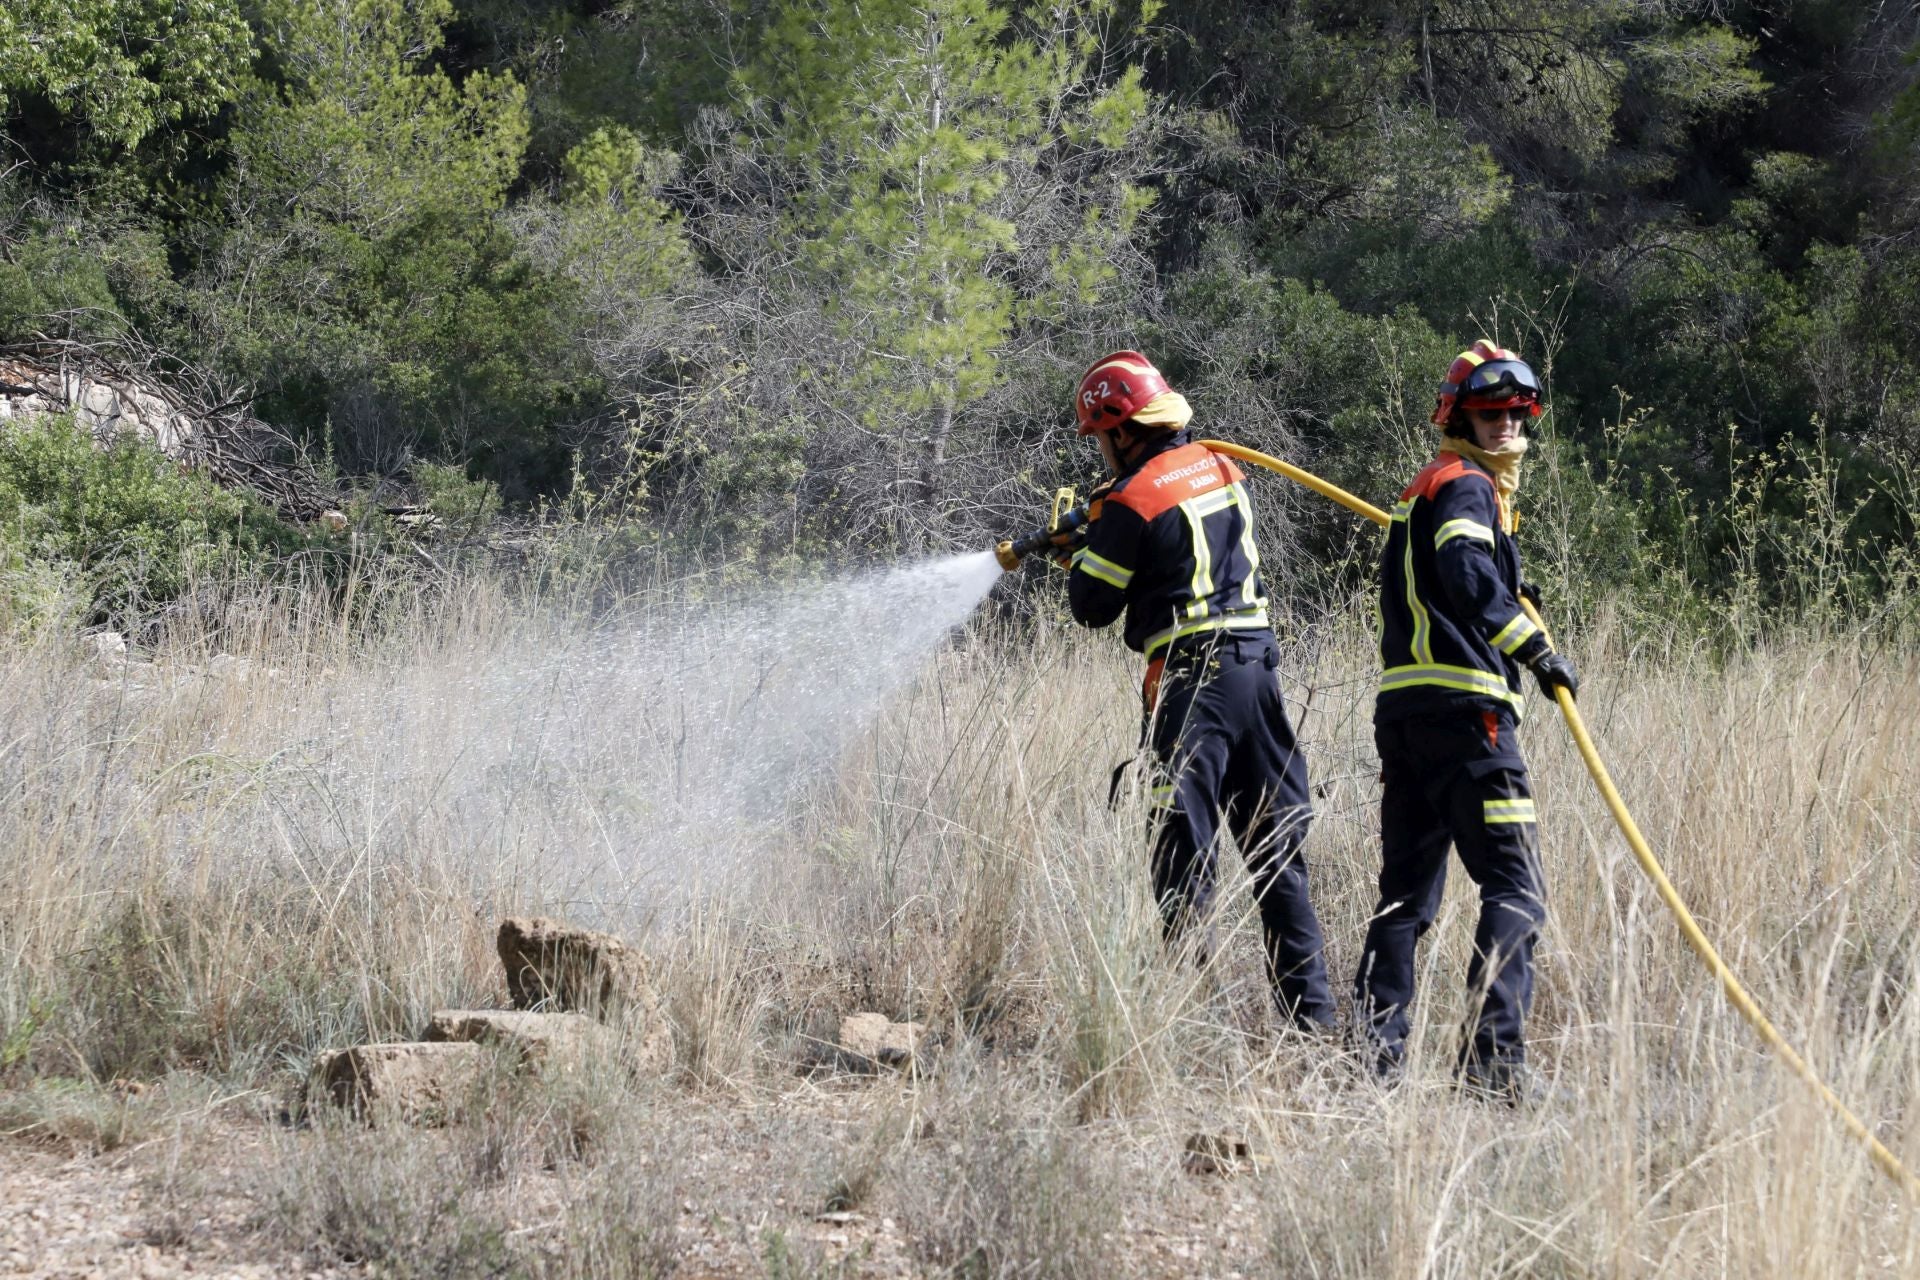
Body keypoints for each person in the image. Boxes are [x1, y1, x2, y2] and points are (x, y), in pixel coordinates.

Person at [1065, 350, 1336, 1032]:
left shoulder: (1131, 498)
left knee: (1180, 857)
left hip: (1194, 685)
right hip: (1259, 674)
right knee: (1277, 857)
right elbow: (1176, 555)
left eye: (1100, 438)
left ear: (1122, 428)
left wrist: (1085, 546)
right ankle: (1314, 1025)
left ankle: (1188, 1029)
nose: (1101, 452)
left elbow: (1092, 605)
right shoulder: (1218, 466)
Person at [1352, 340, 1580, 1099]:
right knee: (1517, 888)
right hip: (1469, 717)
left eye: (1517, 411)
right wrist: (1535, 648)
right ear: (1460, 418)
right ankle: (1491, 1071)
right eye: (1489, 413)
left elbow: (1465, 572)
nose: (1506, 423)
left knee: (1405, 897)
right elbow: (1463, 570)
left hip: (1406, 715)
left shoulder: (1428, 487)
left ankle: (1370, 1063)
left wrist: (1510, 581)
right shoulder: (1468, 488)